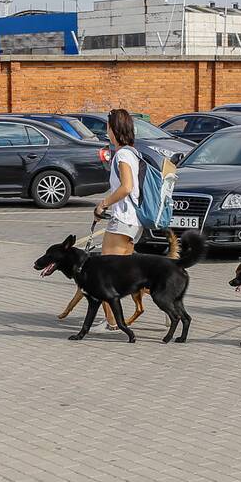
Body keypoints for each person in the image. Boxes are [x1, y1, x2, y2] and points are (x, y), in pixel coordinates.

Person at [93, 109, 145, 330]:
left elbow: (126, 187)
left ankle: (112, 321)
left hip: (122, 221)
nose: (106, 130)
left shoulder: (123, 155)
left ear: (113, 129)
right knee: (123, 275)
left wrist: (103, 203)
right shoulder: (133, 152)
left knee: (104, 275)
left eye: (108, 126)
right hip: (134, 222)